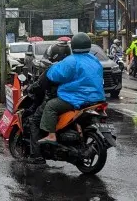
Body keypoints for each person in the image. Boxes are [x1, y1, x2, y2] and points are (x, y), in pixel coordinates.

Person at [31, 33, 105, 164]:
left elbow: (54, 75)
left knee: (51, 106)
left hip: (75, 99)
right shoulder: (94, 60)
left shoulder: (71, 61)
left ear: (74, 46)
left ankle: (51, 135)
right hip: (96, 98)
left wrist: (50, 70)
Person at [25, 41, 70, 164]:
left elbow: (40, 84)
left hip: (57, 99)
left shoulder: (54, 69)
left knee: (34, 121)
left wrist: (29, 88)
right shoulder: (73, 66)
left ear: (54, 55)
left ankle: (36, 156)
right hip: (77, 99)